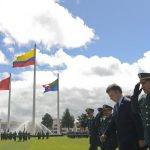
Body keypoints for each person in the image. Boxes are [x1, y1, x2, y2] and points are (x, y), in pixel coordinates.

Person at [100, 84, 145, 150]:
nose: (110, 98)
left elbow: (138, 121)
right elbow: (113, 123)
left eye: (111, 95)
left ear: (117, 92)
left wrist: (141, 138)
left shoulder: (129, 103)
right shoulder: (115, 107)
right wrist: (105, 134)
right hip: (122, 142)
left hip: (133, 141)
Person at [131, 73, 150, 149]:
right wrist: (135, 96)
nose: (142, 87)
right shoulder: (143, 98)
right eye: (141, 84)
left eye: (143, 83)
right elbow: (135, 111)